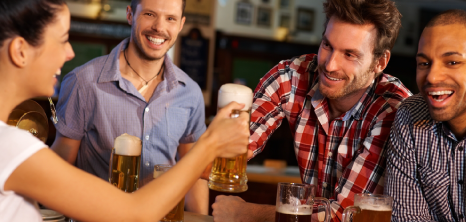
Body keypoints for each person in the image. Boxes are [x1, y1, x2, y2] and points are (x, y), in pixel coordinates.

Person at [0, 0, 249, 221]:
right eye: (63, 39)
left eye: (170, 18)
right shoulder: (13, 146)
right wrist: (211, 143)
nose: (70, 53)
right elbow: (135, 212)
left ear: (181, 24)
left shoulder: (13, 143)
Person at [211, 0, 412, 221]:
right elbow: (233, 148)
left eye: (349, 55)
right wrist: (217, 154)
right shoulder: (292, 76)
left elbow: (345, 216)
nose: (330, 65)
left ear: (380, 62)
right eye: (327, 45)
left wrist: (246, 214)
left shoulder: (394, 110)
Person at [50, 0, 209, 214]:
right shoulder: (84, 81)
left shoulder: (190, 92)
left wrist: (201, 218)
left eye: (170, 18)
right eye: (150, 14)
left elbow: (194, 173)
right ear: (130, 15)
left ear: (180, 24)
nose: (159, 27)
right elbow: (60, 168)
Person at [385, 9, 466, 221]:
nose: (432, 76)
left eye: (453, 62)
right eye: (424, 63)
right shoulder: (410, 115)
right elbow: (406, 218)